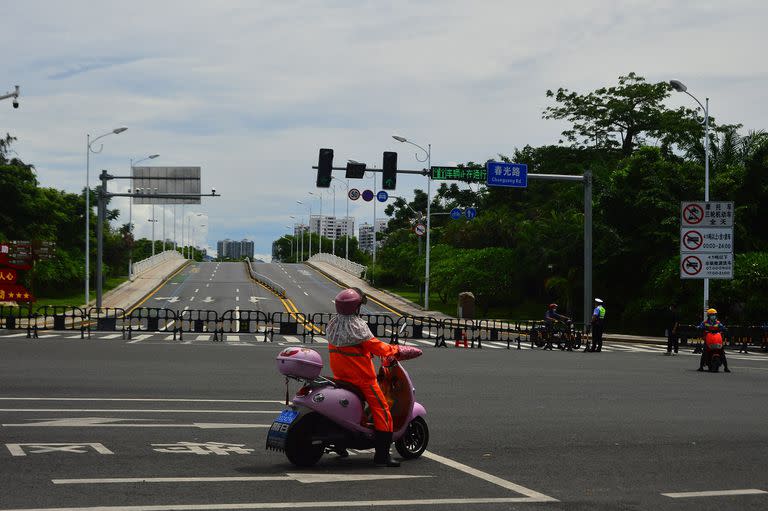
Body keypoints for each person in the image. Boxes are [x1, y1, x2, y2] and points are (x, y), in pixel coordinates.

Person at [325, 287, 402, 467]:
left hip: (340, 377)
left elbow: (353, 349)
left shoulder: (333, 324)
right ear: (356, 307)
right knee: (383, 411)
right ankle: (382, 456)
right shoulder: (357, 326)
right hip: (362, 380)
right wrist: (397, 350)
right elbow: (377, 347)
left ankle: (341, 444)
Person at [697, 308, 731, 373]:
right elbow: (700, 326)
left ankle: (726, 367)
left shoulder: (718, 323)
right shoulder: (705, 323)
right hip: (708, 340)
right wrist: (698, 328)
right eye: (712, 315)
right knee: (704, 352)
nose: (713, 316)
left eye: (714, 315)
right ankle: (701, 366)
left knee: (722, 352)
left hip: (716, 339)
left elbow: (722, 327)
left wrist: (725, 329)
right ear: (709, 316)